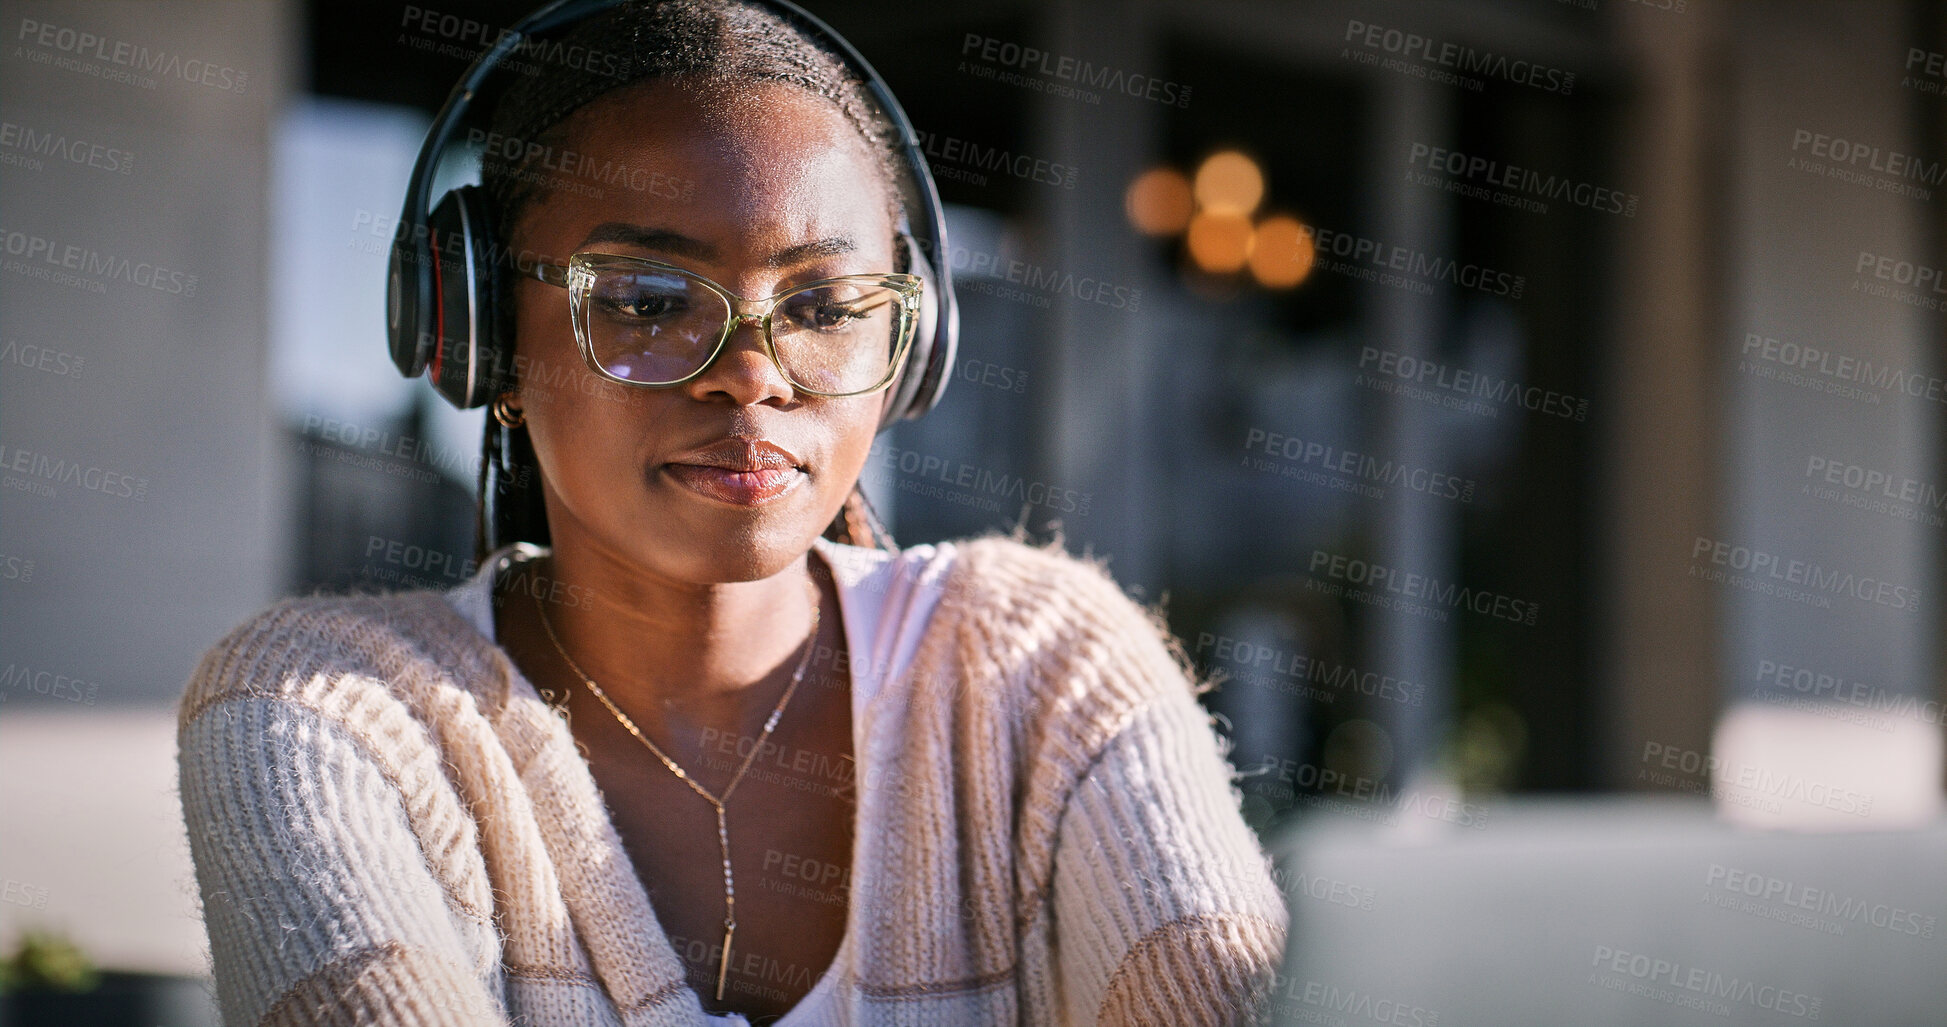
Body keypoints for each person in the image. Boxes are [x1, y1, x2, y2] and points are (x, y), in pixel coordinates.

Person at [175, 2, 1286, 1024]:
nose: (752, 373)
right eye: (650, 301)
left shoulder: (1043, 668)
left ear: (907, 349)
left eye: (823, 305)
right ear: (483, 338)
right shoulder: (325, 716)